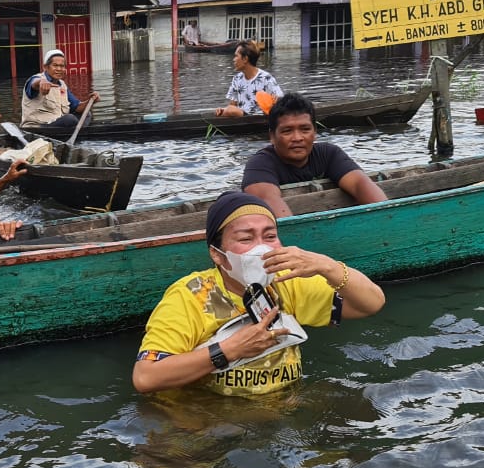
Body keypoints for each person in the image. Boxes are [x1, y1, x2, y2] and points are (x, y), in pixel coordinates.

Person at [133, 191, 384, 396]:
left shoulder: (287, 280)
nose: (262, 248)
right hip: (211, 416)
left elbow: (371, 304)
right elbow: (146, 377)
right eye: (246, 238)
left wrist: (328, 266)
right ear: (217, 255)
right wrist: (230, 349)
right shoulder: (191, 296)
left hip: (285, 405)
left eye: (270, 236)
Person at [241, 92, 389, 216]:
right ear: (272, 136)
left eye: (305, 129)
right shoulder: (260, 164)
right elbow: (267, 200)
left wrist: (389, 217)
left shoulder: (328, 154)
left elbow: (359, 184)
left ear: (315, 132)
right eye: (287, 131)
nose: (298, 138)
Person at [21, 49, 98, 127]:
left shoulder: (62, 85)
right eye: (55, 65)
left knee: (86, 114)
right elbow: (34, 84)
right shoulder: (35, 79)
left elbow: (77, 107)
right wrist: (41, 82)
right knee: (70, 119)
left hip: (57, 125)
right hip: (37, 127)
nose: (59, 69)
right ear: (46, 67)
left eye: (62, 66)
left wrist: (91, 100)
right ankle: (77, 132)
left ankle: (79, 133)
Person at [213, 40, 283, 117]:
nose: (233, 59)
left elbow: (280, 102)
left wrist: (275, 101)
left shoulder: (266, 78)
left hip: (260, 119)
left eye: (236, 56)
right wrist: (223, 110)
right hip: (242, 118)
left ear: (245, 59)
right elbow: (232, 105)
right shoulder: (237, 79)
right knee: (228, 110)